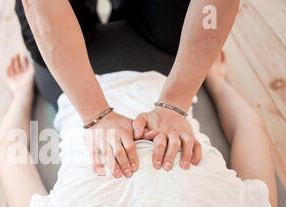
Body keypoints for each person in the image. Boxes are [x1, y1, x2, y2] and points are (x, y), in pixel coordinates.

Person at [0, 52, 281, 207]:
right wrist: (23, 92)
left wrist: (215, 79)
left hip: (161, 66)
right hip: (67, 77)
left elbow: (248, 128)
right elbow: (12, 147)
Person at [14, 0, 240, 178]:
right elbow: (248, 128)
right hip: (156, 64)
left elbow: (11, 151)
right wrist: (95, 114)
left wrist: (21, 94)